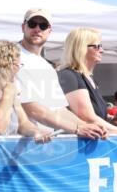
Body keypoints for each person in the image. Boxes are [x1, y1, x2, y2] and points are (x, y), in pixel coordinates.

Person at [16, 9, 107, 139]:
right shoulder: (11, 57)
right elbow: (30, 107)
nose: (37, 29)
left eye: (43, 26)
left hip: (43, 145)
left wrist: (89, 126)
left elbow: (59, 109)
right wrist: (77, 128)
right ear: (23, 26)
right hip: (13, 144)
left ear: (49, 31)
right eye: (32, 24)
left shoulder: (47, 67)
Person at [57, 28, 117, 135]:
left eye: (101, 46)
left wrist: (112, 121)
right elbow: (87, 118)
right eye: (97, 46)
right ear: (81, 48)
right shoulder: (69, 76)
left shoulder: (89, 79)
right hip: (78, 147)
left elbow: (94, 118)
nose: (101, 50)